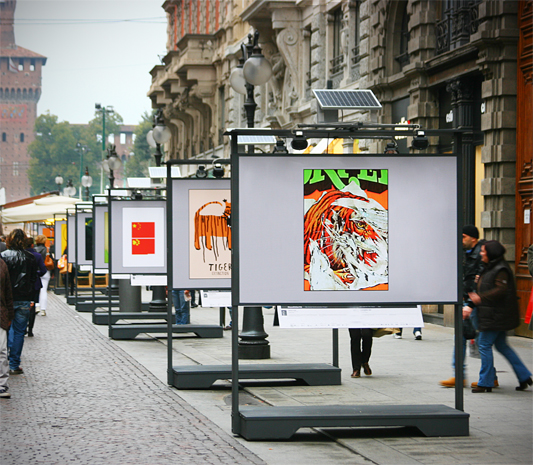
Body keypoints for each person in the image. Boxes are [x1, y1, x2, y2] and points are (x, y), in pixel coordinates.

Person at [466, 240, 532, 393]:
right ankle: (524, 376)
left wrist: (480, 298)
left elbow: (500, 290)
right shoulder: (491, 267)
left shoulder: (501, 269)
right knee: (502, 346)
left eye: (484, 251)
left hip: (496, 316)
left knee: (483, 344)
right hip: (495, 315)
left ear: (491, 253)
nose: (481, 253)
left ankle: (486, 382)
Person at [440, 225, 488, 388]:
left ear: (473, 238)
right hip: (468, 302)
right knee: (462, 338)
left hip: (475, 304)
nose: (461, 240)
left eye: (464, 237)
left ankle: (485, 376)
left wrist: (469, 303)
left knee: (483, 343)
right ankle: (459, 375)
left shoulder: (481, 254)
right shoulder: (466, 253)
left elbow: (480, 280)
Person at [0, 229, 38, 375]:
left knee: (7, 329)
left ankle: (8, 359)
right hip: (24, 298)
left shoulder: (3, 256)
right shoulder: (30, 257)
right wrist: (32, 299)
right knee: (19, 332)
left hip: (6, 299)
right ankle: (14, 364)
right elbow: (33, 279)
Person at [25, 237, 47, 337]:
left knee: (23, 305)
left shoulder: (22, 255)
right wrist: (37, 274)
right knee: (32, 306)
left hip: (23, 284)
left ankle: (23, 327)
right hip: (35, 283)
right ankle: (30, 329)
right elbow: (43, 269)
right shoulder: (37, 256)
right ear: (32, 245)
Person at [0, 257, 14, 398]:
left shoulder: (2, 264)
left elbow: (8, 290)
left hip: (1, 314)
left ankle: (2, 385)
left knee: (2, 351)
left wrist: (9, 314)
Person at [34, 235, 51, 316]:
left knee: (36, 290)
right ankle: (43, 309)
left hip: (35, 271)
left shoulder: (34, 250)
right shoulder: (47, 249)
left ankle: (36, 306)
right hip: (45, 271)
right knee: (44, 290)